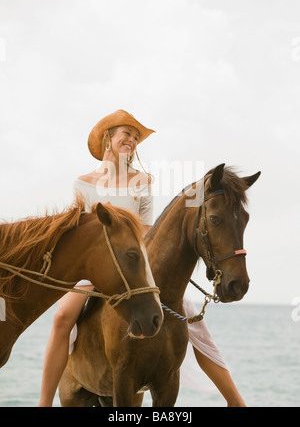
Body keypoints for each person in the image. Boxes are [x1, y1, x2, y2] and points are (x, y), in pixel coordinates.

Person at [39, 109, 245, 407]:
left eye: (136, 138)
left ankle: (234, 400)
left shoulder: (142, 181)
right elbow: (80, 233)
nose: (132, 141)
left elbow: (146, 233)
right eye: (127, 134)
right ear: (108, 137)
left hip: (132, 266)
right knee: (61, 318)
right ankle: (44, 403)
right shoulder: (82, 183)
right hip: (92, 268)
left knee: (190, 315)